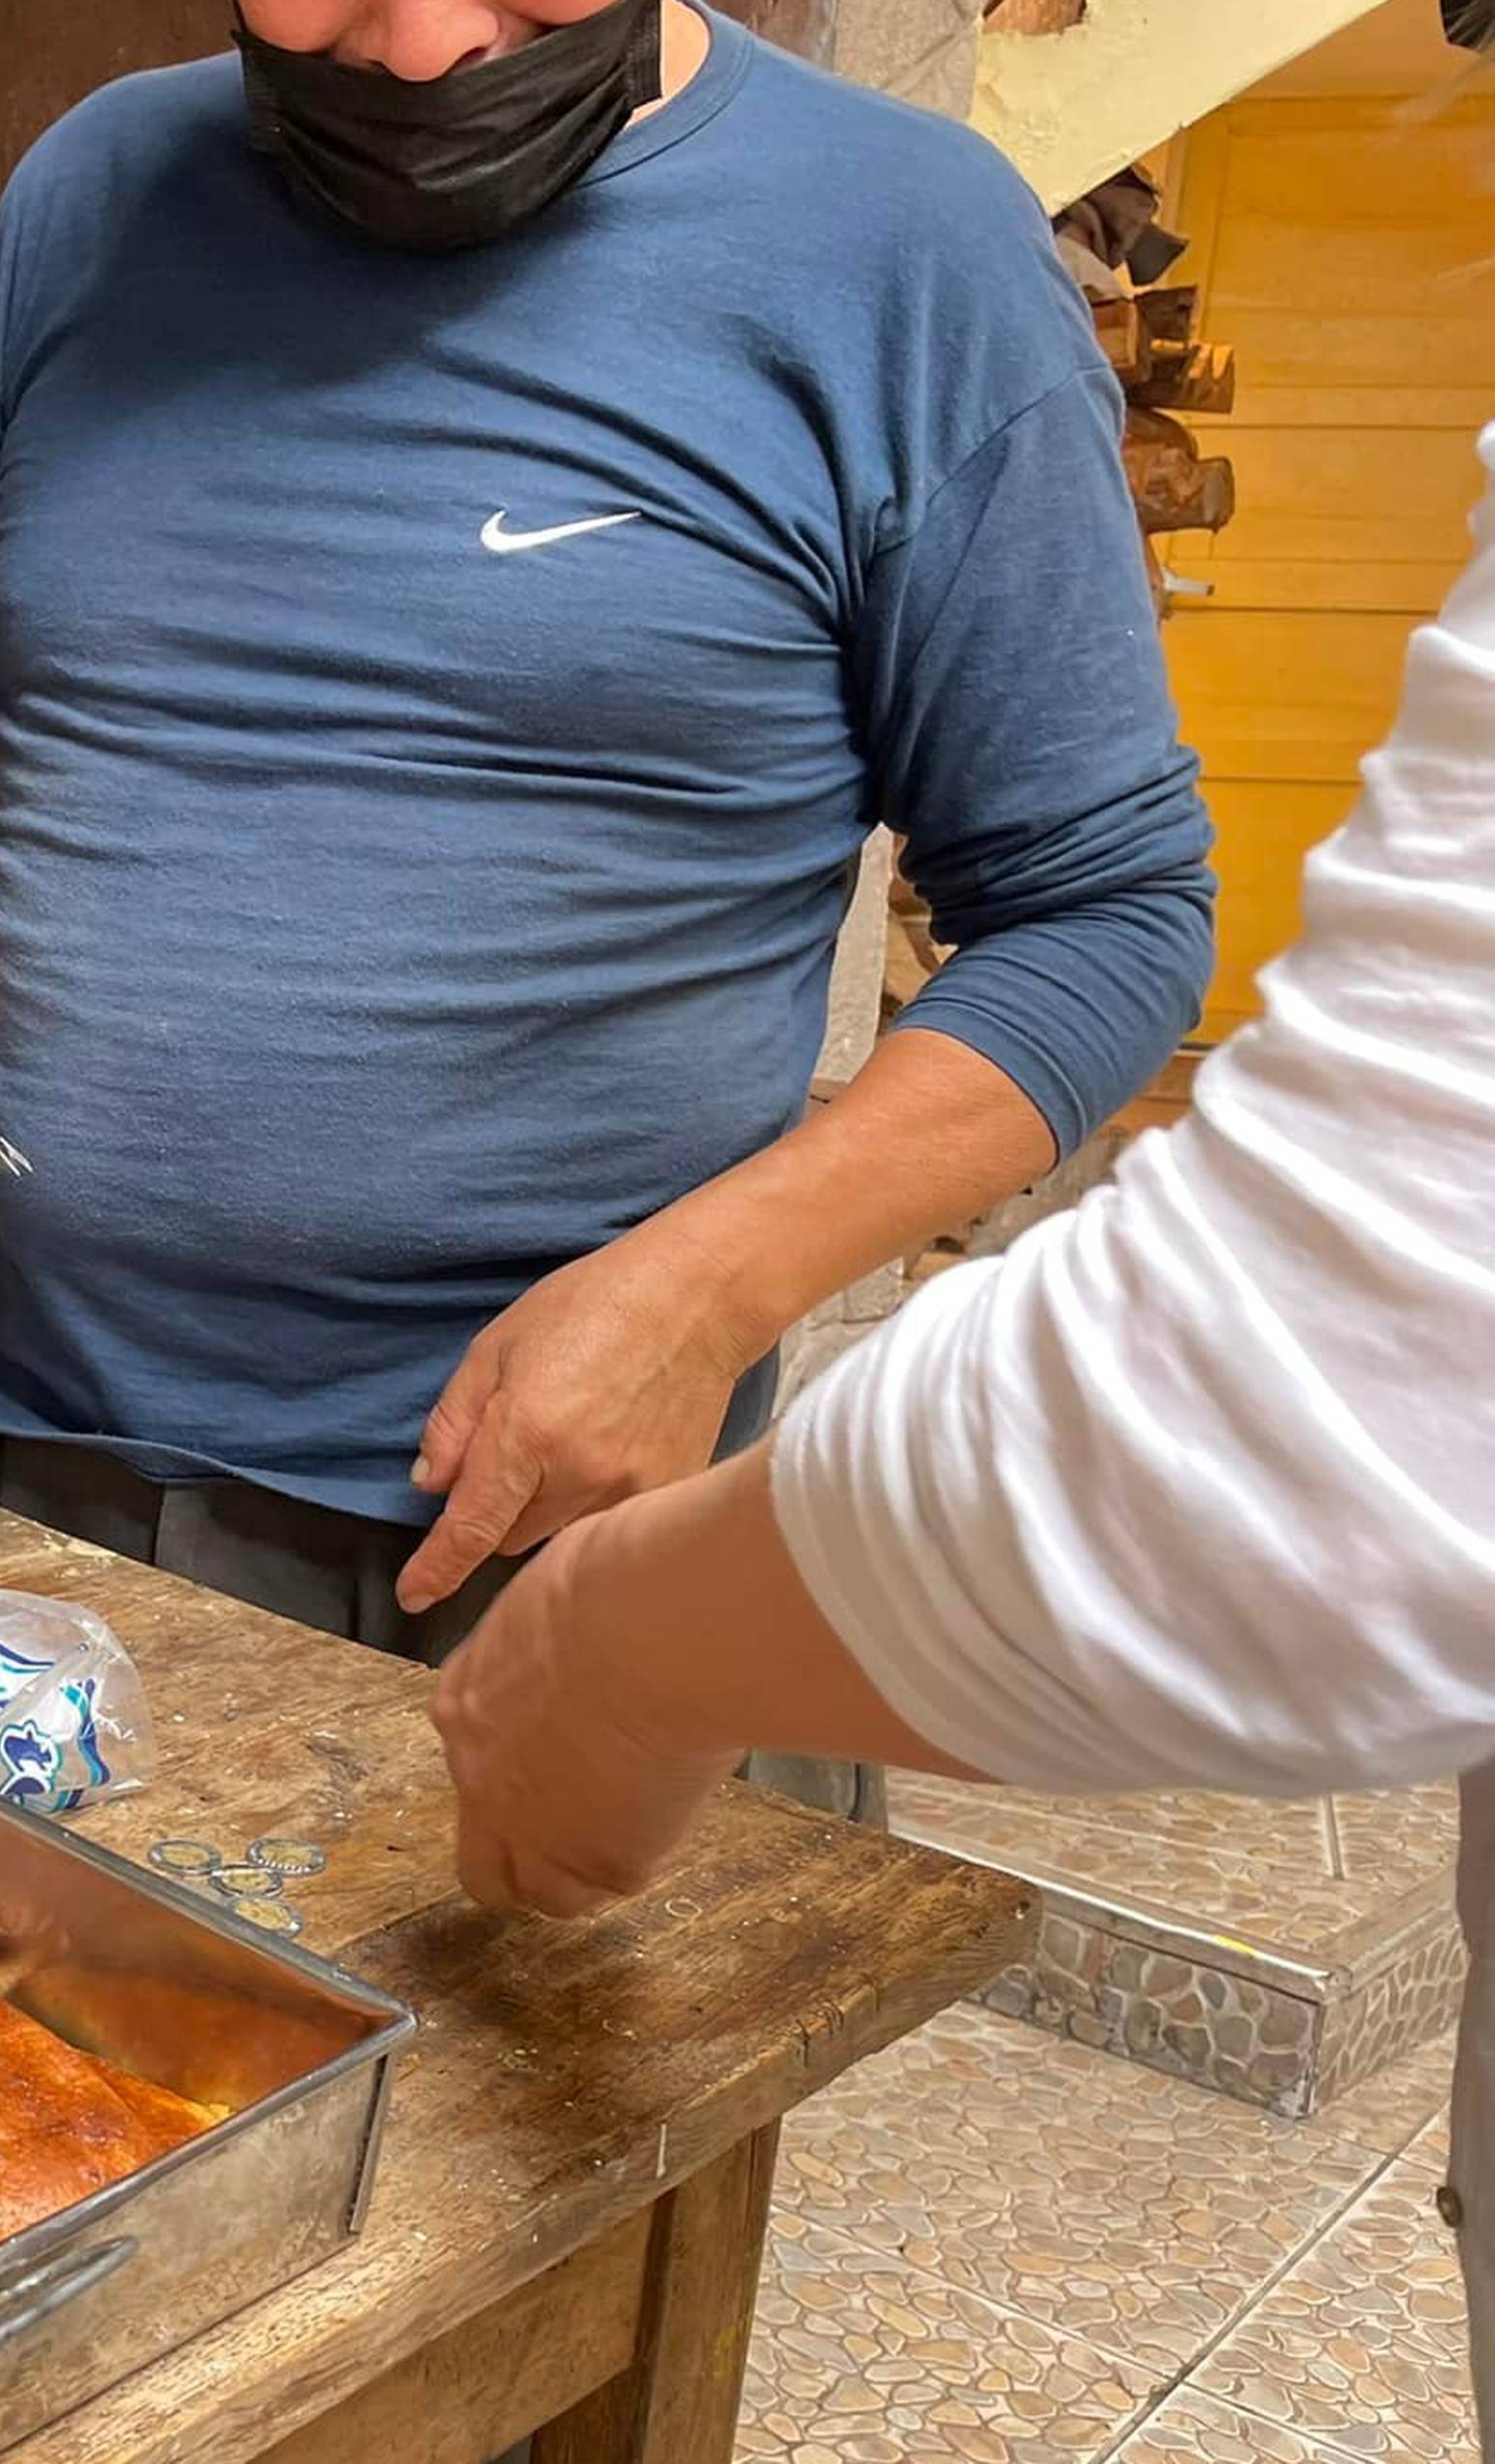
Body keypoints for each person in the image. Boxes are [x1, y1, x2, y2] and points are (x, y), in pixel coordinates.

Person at [0, 0, 1216, 1691]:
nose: (427, 44)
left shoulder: (911, 251)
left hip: (552, 1540)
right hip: (26, 1469)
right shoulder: (91, 192)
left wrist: (709, 1297)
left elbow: (1106, 915)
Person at [431, 428, 1495, 2418]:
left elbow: (1344, 1429)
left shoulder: (917, 310)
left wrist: (614, 1642)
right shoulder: (82, 265)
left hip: (569, 1535)